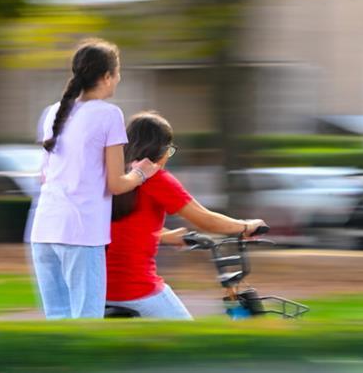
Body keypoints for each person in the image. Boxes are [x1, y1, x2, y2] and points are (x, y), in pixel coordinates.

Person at [30, 39, 159, 319]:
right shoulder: (109, 114)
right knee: (87, 323)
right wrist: (141, 174)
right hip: (81, 234)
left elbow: (44, 175)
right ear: (107, 76)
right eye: (118, 73)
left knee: (59, 325)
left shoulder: (54, 111)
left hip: (44, 231)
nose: (119, 79)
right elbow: (115, 184)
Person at [105, 111, 266, 319]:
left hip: (101, 288)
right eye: (169, 150)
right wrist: (246, 226)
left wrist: (165, 236)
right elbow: (205, 220)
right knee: (186, 335)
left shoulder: (115, 177)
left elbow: (122, 226)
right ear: (160, 150)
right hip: (137, 288)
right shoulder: (156, 179)